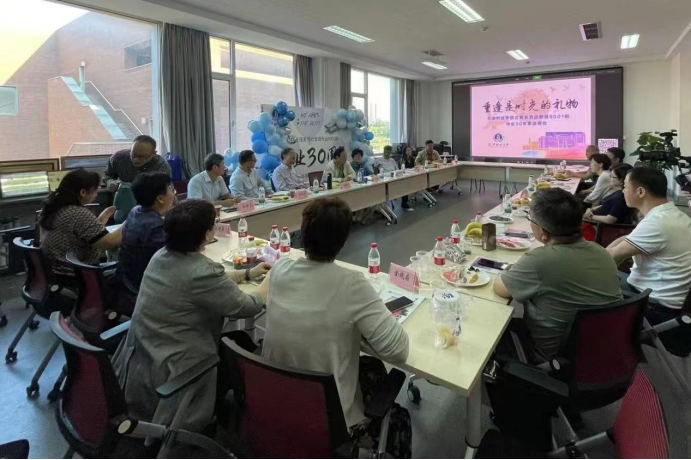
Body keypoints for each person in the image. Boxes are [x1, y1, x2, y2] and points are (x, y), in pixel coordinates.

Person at [262, 197, 412, 458]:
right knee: (400, 418)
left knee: (371, 367)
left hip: (275, 402)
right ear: (343, 240)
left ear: (303, 233)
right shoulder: (351, 284)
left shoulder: (280, 269)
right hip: (328, 421)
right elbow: (398, 350)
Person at [114, 200, 270, 432]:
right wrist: (269, 282)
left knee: (238, 339)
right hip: (177, 371)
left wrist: (247, 273)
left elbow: (202, 278)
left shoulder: (161, 256)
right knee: (242, 348)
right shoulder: (201, 271)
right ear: (207, 234)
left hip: (145, 359)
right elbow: (247, 306)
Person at [493, 188, 622, 361]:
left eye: (530, 219)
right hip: (601, 348)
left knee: (493, 327)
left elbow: (500, 288)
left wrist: (511, 268)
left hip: (552, 355)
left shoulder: (539, 260)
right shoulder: (600, 251)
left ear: (543, 232)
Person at [608, 167, 691, 312]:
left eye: (625, 187)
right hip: (669, 297)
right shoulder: (674, 214)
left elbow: (610, 258)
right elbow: (627, 239)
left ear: (640, 192)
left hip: (653, 303)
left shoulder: (656, 223)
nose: (623, 191)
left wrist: (608, 252)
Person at [39, 169, 123, 286]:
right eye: (95, 191)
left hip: (56, 274)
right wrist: (131, 220)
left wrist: (101, 219)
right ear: (83, 192)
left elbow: (85, 233)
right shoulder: (77, 213)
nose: (96, 194)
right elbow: (108, 243)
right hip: (76, 277)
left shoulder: (53, 208)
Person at [112, 172, 176, 316]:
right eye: (171, 189)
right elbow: (172, 262)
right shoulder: (155, 227)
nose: (174, 193)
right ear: (160, 198)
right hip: (144, 292)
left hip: (126, 283)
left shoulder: (136, 211)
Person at [582, 164, 635, 241]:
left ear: (621, 180)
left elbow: (610, 219)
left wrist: (590, 216)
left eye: (612, 176)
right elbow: (605, 205)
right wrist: (591, 210)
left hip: (599, 227)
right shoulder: (619, 192)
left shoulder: (620, 198)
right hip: (594, 220)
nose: (610, 178)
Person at [104, 135, 171, 191]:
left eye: (141, 157)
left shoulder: (161, 166)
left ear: (153, 154)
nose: (136, 160)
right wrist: (110, 182)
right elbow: (107, 175)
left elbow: (167, 191)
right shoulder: (118, 158)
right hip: (124, 197)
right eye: (133, 155)